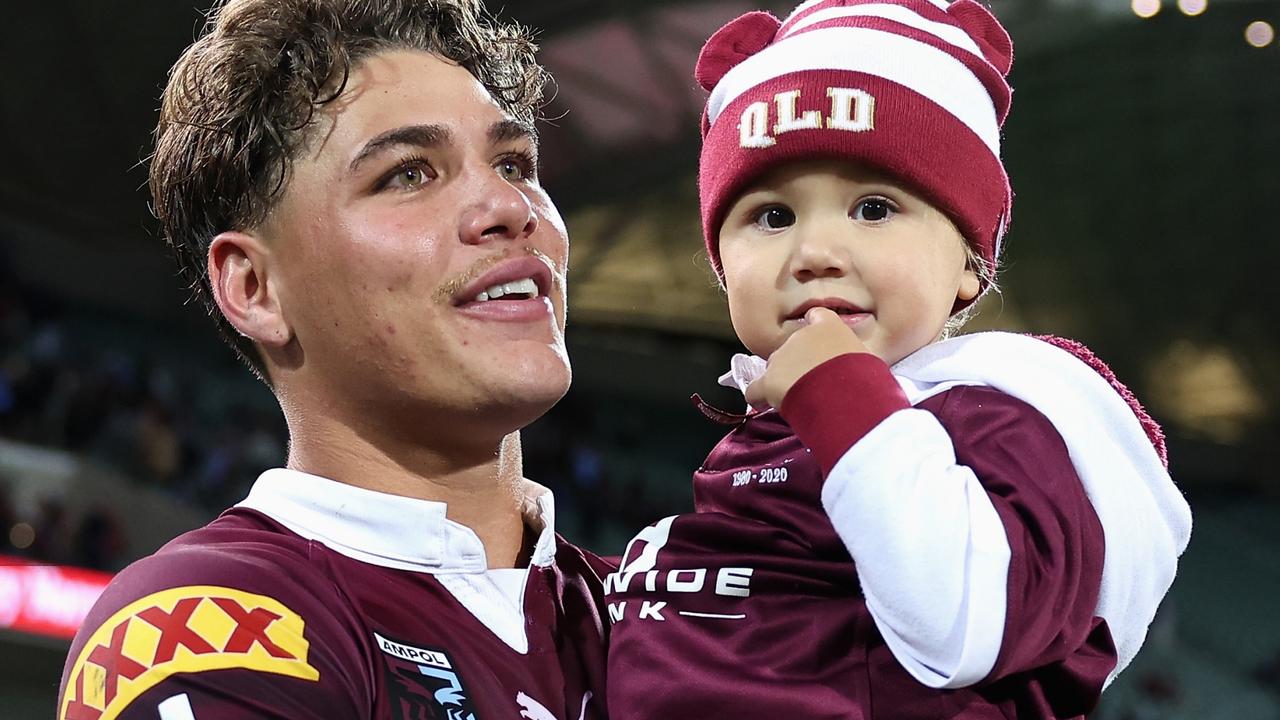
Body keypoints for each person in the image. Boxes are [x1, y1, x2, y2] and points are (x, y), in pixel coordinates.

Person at [604, 1, 1192, 718]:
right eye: (772, 217)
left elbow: (969, 623)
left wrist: (844, 400)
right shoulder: (759, 442)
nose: (815, 254)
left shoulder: (1000, 416)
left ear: (970, 267)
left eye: (875, 209)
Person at [57, 1, 608, 718]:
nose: (507, 204)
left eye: (513, 162)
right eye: (409, 174)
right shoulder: (201, 629)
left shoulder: (658, 619)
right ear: (255, 288)